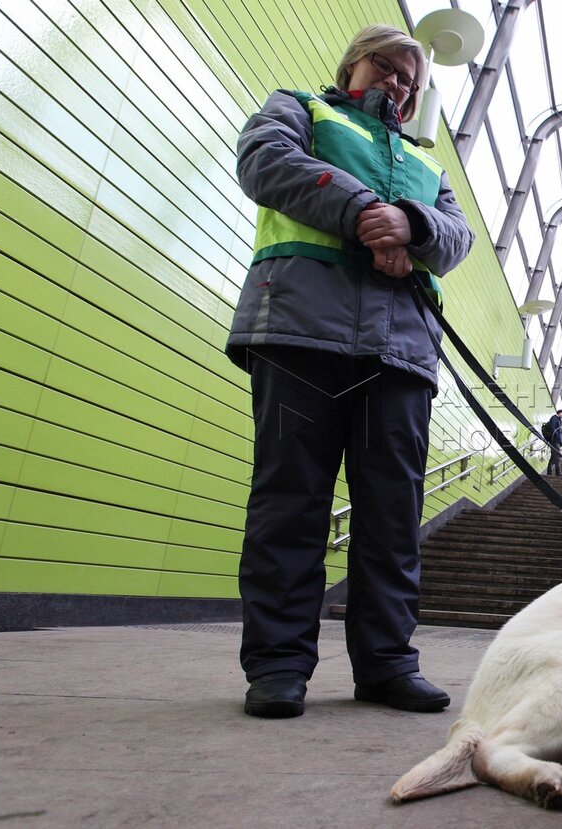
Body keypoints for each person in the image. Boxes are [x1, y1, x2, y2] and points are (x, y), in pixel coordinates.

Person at [227, 24, 475, 719]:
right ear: (353, 64)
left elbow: (457, 238)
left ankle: (388, 662)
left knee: (392, 517)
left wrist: (412, 226)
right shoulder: (300, 108)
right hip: (300, 331)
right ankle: (277, 665)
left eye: (409, 78)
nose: (397, 82)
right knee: (291, 502)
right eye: (387, 66)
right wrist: (369, 211)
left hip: (400, 354)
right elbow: (263, 163)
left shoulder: (428, 169)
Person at [545, 409, 562, 476]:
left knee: (554, 456)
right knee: (557, 456)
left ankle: (550, 472)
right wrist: (557, 435)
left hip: (557, 441)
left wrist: (561, 440)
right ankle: (557, 472)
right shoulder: (554, 418)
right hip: (554, 440)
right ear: (559, 413)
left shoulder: (559, 420)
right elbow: (552, 427)